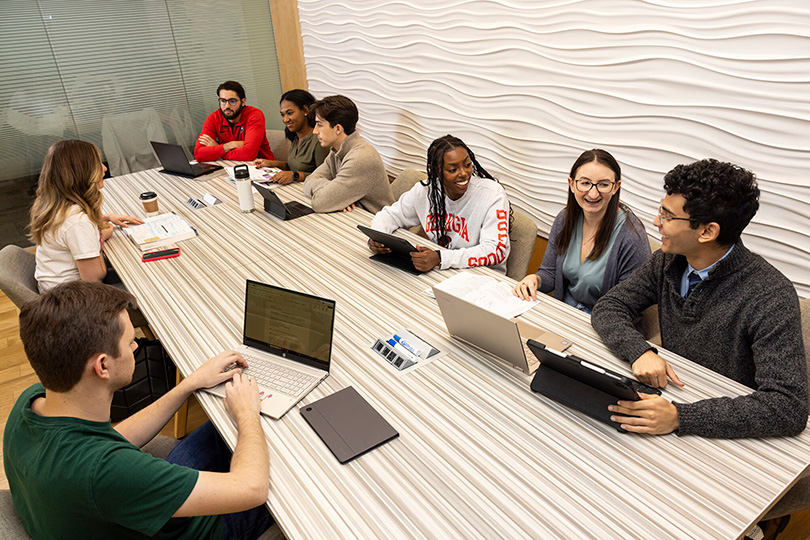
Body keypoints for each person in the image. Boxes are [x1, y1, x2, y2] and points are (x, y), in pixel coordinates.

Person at [4, 281, 273, 539]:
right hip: (201, 530)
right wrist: (248, 414)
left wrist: (189, 384)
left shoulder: (33, 401)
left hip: (122, 509)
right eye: (131, 341)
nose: (136, 346)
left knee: (224, 430)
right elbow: (253, 489)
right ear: (103, 366)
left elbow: (108, 442)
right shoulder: (107, 472)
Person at [513, 149, 650, 313]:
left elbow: (630, 305)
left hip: (607, 319)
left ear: (616, 187)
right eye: (585, 183)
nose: (593, 194)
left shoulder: (631, 237)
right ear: (572, 184)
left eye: (603, 185)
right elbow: (550, 273)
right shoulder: (564, 219)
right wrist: (534, 279)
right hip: (564, 308)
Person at [368, 134, 511, 273]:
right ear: (436, 171)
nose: (463, 173)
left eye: (467, 165)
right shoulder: (425, 191)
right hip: (442, 272)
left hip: (481, 276)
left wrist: (440, 258)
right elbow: (390, 215)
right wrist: (377, 237)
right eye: (453, 169)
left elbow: (496, 251)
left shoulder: (492, 194)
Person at [30, 139, 143, 293]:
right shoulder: (77, 221)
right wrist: (101, 238)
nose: (104, 168)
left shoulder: (52, 205)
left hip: (52, 287)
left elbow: (68, 228)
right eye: (97, 164)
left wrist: (107, 217)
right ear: (81, 173)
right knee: (143, 282)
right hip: (70, 299)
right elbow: (94, 278)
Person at [302, 95, 394, 213]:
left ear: (338, 129)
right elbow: (309, 180)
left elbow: (320, 203)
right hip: (353, 218)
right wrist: (335, 193)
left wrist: (335, 195)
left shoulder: (361, 158)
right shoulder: (336, 151)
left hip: (375, 224)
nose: (315, 131)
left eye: (319, 125)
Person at [252, 89, 329, 184]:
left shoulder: (319, 140)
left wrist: (294, 176)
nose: (285, 119)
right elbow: (296, 167)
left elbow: (326, 176)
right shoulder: (296, 137)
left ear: (305, 110)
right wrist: (272, 163)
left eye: (289, 113)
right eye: (282, 115)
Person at [194, 80, 275, 162]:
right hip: (232, 167)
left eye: (232, 101)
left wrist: (218, 150)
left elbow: (248, 154)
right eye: (223, 101)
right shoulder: (213, 118)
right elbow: (198, 154)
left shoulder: (254, 115)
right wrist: (228, 146)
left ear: (243, 102)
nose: (227, 106)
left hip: (264, 168)